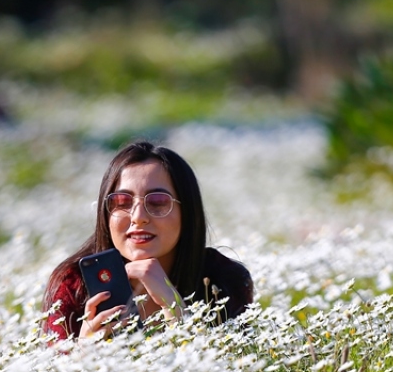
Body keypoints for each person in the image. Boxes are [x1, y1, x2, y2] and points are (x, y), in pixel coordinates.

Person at [43, 140, 254, 340]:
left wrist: (177, 312)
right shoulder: (73, 285)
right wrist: (81, 359)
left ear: (188, 212)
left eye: (158, 202)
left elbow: (238, 370)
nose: (138, 217)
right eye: (122, 202)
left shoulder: (223, 280)